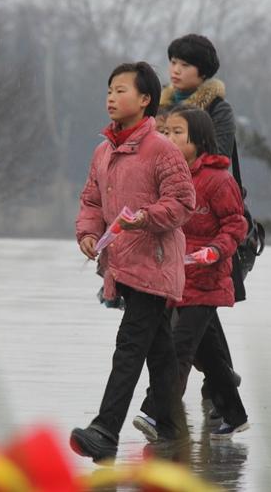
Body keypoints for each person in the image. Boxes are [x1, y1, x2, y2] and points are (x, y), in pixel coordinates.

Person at [71, 62, 196, 463]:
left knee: (129, 347)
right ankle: (174, 432)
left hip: (154, 264)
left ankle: (105, 431)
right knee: (159, 352)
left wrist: (146, 216)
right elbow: (91, 200)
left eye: (121, 90)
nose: (112, 97)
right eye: (109, 89)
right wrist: (89, 233)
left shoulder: (162, 149)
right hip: (121, 264)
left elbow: (182, 204)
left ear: (145, 100)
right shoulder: (102, 151)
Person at [134, 107, 249, 442]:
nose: (168, 138)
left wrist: (215, 250)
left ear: (199, 140)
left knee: (177, 348)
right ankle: (235, 414)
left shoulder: (219, 180)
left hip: (207, 281)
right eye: (165, 132)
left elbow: (235, 225)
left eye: (177, 133)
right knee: (209, 356)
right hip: (173, 279)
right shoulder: (165, 177)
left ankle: (155, 411)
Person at [160, 33, 243, 421]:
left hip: (213, 225)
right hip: (170, 229)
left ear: (203, 71)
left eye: (184, 64)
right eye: (172, 61)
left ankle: (203, 392)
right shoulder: (159, 107)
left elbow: (216, 161)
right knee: (197, 315)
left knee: (196, 310)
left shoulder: (218, 111)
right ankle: (222, 386)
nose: (175, 70)